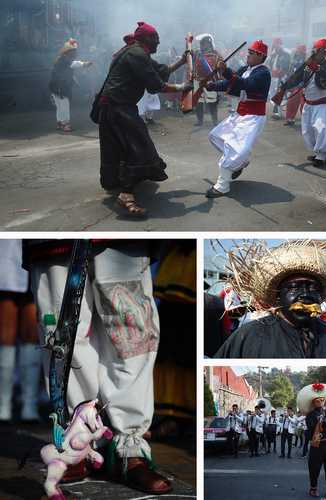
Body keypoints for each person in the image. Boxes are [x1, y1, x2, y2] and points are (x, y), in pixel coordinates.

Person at [24, 239, 175, 494]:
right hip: (56, 238)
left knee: (132, 326)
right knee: (62, 330)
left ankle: (129, 447)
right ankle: (75, 446)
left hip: (122, 241)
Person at [98, 21, 192, 217]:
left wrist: (182, 62)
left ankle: (120, 182)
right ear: (147, 39)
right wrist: (182, 87)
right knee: (139, 148)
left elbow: (158, 70)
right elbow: (155, 85)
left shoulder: (135, 51)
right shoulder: (137, 54)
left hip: (114, 107)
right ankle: (126, 195)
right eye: (156, 39)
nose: (158, 43)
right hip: (119, 108)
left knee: (120, 148)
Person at [215, 240, 326, 358]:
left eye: (313, 288)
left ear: (321, 296)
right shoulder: (249, 336)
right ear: (278, 296)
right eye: (294, 287)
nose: (305, 294)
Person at [204, 40, 271, 198]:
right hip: (241, 113)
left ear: (261, 56)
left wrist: (226, 70)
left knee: (233, 148)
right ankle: (240, 162)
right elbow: (230, 84)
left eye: (252, 53)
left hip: (253, 116)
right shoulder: (245, 69)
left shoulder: (263, 73)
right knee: (215, 136)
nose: (248, 55)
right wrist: (212, 86)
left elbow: (246, 84)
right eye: (249, 52)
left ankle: (222, 185)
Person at [0, 240, 41, 423]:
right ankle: (4, 405)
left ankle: (29, 404)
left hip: (33, 257)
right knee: (5, 336)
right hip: (6, 259)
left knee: (31, 334)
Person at [283, 38, 326, 167]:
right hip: (309, 103)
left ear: (324, 53)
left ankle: (322, 154)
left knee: (321, 129)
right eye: (314, 51)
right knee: (308, 130)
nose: (315, 54)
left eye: (317, 51)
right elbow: (297, 77)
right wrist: (285, 86)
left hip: (322, 104)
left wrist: (314, 66)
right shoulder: (308, 64)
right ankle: (317, 151)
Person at [298, 382, 326, 499]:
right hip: (317, 445)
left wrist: (324, 419)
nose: (319, 401)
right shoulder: (310, 415)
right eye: (316, 400)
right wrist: (318, 421)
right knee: (314, 468)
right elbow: (310, 431)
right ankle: (313, 488)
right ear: (313, 403)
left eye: (321, 399)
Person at [49, 38, 93, 132]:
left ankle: (60, 123)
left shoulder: (61, 59)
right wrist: (85, 64)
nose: (75, 53)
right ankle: (65, 124)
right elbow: (74, 64)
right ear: (69, 52)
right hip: (61, 87)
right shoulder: (65, 59)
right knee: (64, 105)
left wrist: (74, 81)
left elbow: (66, 72)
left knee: (60, 106)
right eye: (73, 51)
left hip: (55, 86)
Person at [193, 34, 223, 127]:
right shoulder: (198, 53)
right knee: (199, 102)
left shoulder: (216, 54)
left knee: (212, 102)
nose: (202, 45)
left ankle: (214, 121)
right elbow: (192, 64)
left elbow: (221, 66)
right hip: (198, 80)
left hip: (210, 81)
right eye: (202, 43)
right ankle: (200, 121)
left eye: (204, 43)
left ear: (209, 44)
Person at [267, 38, 290, 119]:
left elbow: (286, 66)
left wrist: (282, 72)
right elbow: (268, 65)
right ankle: (275, 110)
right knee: (272, 94)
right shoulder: (272, 55)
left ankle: (278, 113)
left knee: (280, 94)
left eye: (277, 45)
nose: (276, 47)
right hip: (273, 77)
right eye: (274, 45)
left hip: (281, 76)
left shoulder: (286, 55)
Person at [284, 44, 307, 126]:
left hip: (301, 84)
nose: (297, 51)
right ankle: (289, 118)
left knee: (301, 104)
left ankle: (303, 121)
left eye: (299, 50)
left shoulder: (306, 60)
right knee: (291, 102)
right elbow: (290, 70)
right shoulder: (294, 58)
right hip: (293, 83)